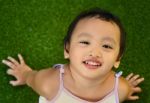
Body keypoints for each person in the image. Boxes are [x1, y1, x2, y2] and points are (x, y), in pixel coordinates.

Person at [2, 8, 144, 103]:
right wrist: (26, 75)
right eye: (84, 42)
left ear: (118, 58)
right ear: (67, 50)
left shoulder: (121, 90)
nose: (94, 53)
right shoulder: (49, 83)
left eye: (106, 46)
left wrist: (126, 89)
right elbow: (33, 78)